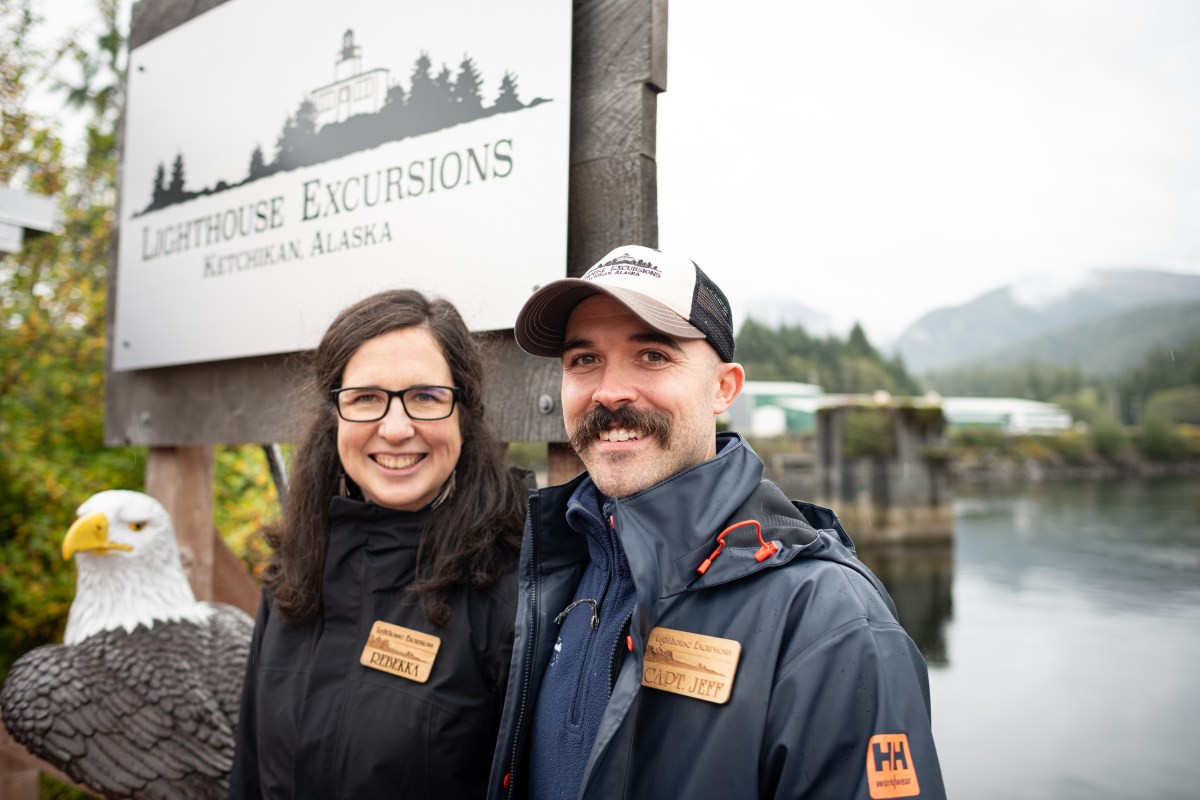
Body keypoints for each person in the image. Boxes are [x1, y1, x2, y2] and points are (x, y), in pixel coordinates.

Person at [488, 245, 945, 799]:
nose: (609, 391)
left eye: (653, 355)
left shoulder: (831, 621)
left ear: (724, 389)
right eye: (584, 360)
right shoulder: (558, 565)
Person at [229, 290, 528, 799]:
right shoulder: (294, 574)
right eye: (367, 398)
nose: (395, 428)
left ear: (464, 413)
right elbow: (250, 776)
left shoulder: (513, 589)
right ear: (336, 414)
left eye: (426, 397)